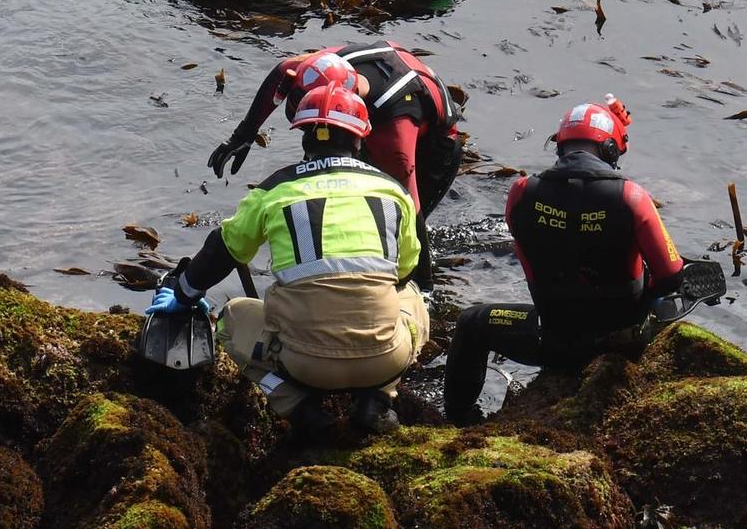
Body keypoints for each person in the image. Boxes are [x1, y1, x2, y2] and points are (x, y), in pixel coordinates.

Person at [149, 81, 427, 435]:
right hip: (384, 359)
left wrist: (184, 293)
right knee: (414, 298)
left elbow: (223, 250)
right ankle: (378, 399)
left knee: (232, 319)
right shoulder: (393, 191)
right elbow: (405, 271)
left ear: (304, 136)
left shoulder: (274, 191)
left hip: (303, 364)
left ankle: (297, 408)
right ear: (359, 139)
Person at [443, 96, 686, 425]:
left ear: (560, 147)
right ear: (611, 150)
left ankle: (461, 421)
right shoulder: (631, 197)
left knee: (472, 323)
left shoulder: (522, 192)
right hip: (623, 344)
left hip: (552, 340)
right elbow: (671, 275)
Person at [207, 43, 463, 290]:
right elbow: (281, 72)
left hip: (434, 145)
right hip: (380, 88)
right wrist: (243, 135)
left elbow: (410, 206)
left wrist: (425, 287)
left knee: (395, 219)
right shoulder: (319, 68)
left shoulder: (393, 137)